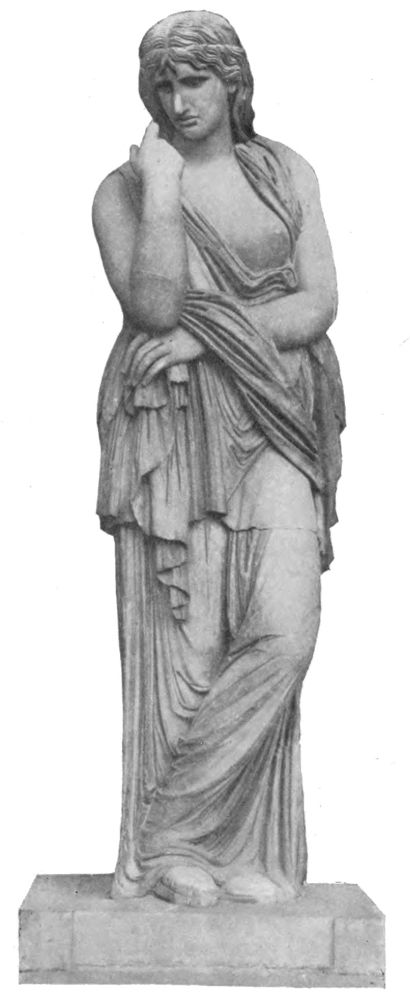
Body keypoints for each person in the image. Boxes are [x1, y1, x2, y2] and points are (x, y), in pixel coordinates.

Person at [92, 9, 345, 907]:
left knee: (284, 631)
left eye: (194, 81)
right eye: (162, 85)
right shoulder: (123, 192)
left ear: (232, 83)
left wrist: (214, 335)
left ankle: (176, 824)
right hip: (173, 426)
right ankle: (186, 857)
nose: (178, 101)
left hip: (275, 413)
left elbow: (318, 303)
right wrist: (162, 190)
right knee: (191, 645)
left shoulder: (286, 174)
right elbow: (154, 307)